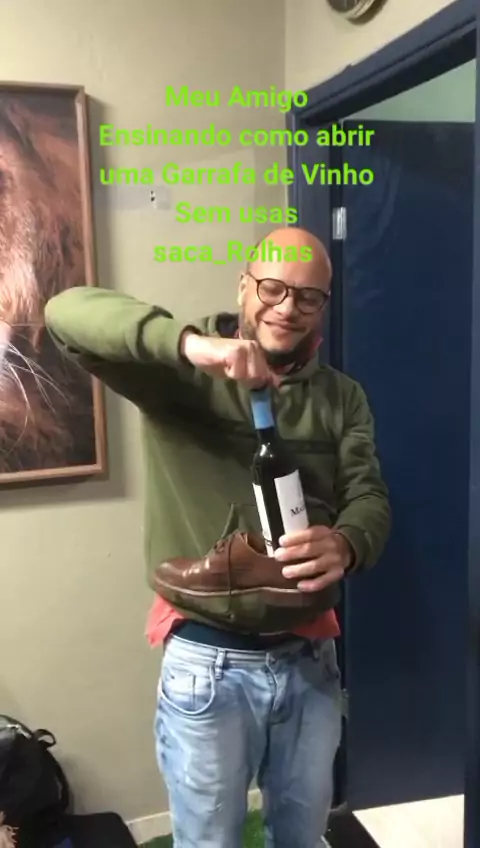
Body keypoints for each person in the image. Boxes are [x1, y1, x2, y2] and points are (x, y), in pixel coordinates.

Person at [44, 226, 391, 848]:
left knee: (303, 837)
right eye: (273, 288)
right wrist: (193, 347)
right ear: (244, 286)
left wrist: (347, 541)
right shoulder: (179, 376)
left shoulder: (343, 398)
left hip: (310, 661)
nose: (288, 307)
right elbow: (65, 313)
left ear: (323, 305)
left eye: (308, 296)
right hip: (208, 667)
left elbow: (368, 496)